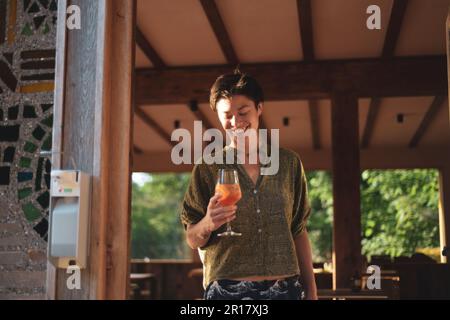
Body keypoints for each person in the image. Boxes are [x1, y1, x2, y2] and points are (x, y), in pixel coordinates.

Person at [180, 70, 317, 300]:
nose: (236, 122)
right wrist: (207, 223)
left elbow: (298, 231)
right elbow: (193, 238)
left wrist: (311, 292)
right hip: (226, 292)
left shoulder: (288, 163)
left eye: (243, 111)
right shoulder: (207, 167)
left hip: (285, 290)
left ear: (259, 108)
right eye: (227, 115)